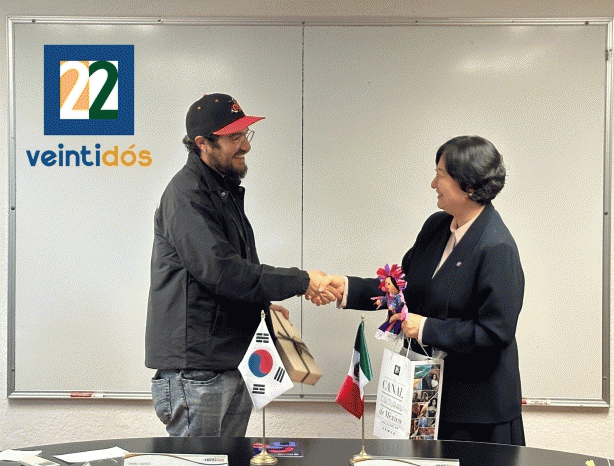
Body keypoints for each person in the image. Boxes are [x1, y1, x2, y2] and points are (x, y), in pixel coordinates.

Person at [145, 93, 337, 437]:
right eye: (234, 137)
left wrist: (260, 306)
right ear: (203, 143)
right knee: (201, 462)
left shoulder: (221, 190)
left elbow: (222, 275)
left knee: (230, 459)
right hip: (199, 369)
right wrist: (303, 280)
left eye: (246, 134)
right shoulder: (187, 195)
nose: (246, 146)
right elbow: (223, 272)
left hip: (227, 360)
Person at [315, 135, 525, 445]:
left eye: (440, 175)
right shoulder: (436, 227)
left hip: (476, 413)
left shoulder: (497, 247)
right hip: (426, 398)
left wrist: (425, 328)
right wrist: (346, 287)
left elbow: (495, 333)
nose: (433, 184)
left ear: (468, 185)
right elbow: (402, 288)